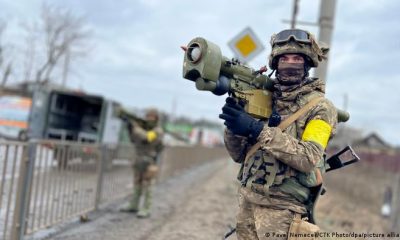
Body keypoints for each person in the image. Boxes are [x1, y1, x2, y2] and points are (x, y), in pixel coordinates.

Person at [219, 29, 337, 239]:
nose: (290, 63)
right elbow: (238, 155)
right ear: (275, 63)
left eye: (296, 59)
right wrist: (234, 128)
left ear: (307, 64)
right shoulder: (263, 100)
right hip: (248, 202)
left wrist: (257, 129)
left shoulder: (321, 108)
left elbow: (308, 157)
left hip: (283, 212)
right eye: (284, 58)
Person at [121, 108, 164, 218]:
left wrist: (135, 127)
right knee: (137, 184)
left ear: (156, 118)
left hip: (149, 161)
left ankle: (146, 208)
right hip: (138, 160)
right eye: (147, 116)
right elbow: (134, 139)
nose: (148, 118)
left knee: (148, 186)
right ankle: (134, 205)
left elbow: (147, 137)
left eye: (151, 116)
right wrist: (130, 128)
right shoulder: (142, 129)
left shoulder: (158, 131)